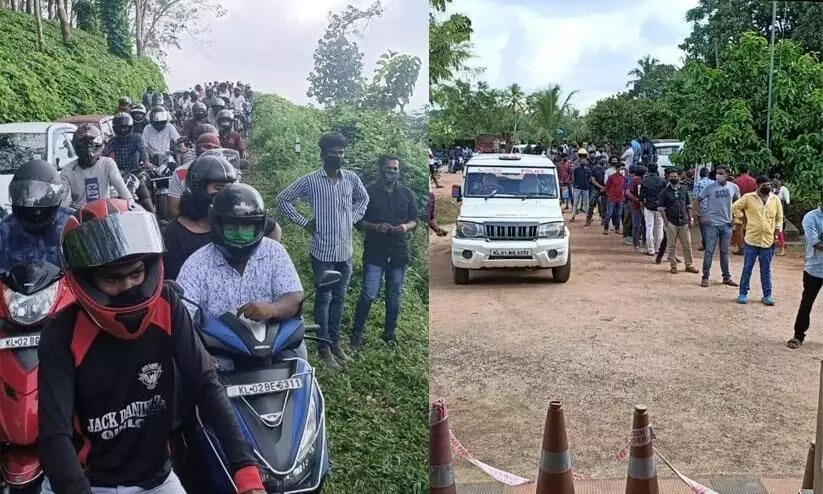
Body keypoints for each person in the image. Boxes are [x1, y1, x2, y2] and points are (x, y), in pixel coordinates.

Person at [37, 198, 266, 494]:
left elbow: (206, 383)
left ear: (149, 266)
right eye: (112, 279)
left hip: (156, 479)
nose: (128, 288)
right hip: (86, 481)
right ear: (86, 279)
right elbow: (54, 433)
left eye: (135, 273)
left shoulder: (167, 307)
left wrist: (245, 468)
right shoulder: (62, 331)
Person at [276, 132, 369, 370]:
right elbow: (283, 199)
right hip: (322, 252)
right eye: (333, 152)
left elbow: (364, 199)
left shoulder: (350, 178)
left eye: (341, 153)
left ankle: (336, 343)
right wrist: (304, 222)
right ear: (323, 153)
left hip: (344, 252)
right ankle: (324, 348)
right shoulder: (310, 181)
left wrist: (352, 218)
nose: (338, 156)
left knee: (339, 298)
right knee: (324, 299)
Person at [177, 183, 303, 356]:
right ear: (217, 223)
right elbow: (182, 319)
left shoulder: (274, 252)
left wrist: (272, 309)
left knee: (301, 359)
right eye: (231, 227)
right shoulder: (196, 265)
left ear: (259, 226)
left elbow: (293, 297)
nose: (239, 233)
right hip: (218, 354)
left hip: (273, 348)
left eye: (246, 228)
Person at [163, 155, 281, 280]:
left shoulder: (241, 218)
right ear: (198, 189)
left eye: (230, 188)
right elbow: (177, 282)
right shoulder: (175, 233)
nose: (226, 194)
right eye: (219, 188)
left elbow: (273, 229)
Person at [350, 155, 418, 350]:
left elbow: (415, 219)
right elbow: (357, 221)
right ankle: (357, 334)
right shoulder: (367, 192)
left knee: (394, 295)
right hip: (375, 251)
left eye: (395, 169)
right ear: (381, 169)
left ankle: (390, 334)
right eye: (389, 169)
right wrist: (376, 226)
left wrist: (405, 227)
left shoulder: (406, 194)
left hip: (398, 252)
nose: (392, 172)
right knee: (369, 293)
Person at [0, 159, 72, 272]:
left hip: (65, 288)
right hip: (16, 289)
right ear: (17, 196)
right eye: (28, 198)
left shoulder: (71, 223)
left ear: (54, 196)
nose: (37, 211)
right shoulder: (5, 229)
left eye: (43, 199)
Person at [732, 175, 783, 305]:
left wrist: (776, 235)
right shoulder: (749, 198)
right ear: (758, 186)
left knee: (766, 270)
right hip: (752, 240)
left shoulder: (775, 199)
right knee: (747, 268)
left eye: (769, 185)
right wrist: (740, 218)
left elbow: (779, 218)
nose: (767, 187)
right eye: (764, 185)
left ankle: (767, 295)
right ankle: (743, 293)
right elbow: (734, 207)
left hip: (768, 241)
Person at [61, 124, 133, 209]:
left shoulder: (107, 163)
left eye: (91, 144)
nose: (88, 148)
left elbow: (121, 188)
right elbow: (61, 198)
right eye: (84, 144)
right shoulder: (68, 170)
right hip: (79, 215)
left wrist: (130, 203)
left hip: (104, 214)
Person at [788, 189, 823, 349]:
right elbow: (815, 242)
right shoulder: (811, 218)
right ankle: (798, 335)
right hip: (814, 268)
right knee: (807, 303)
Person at [696, 165, 740, 287]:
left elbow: (738, 203)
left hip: (726, 225)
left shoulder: (733, 188)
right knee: (709, 251)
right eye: (717, 173)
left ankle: (726, 277)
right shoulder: (709, 188)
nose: (718, 176)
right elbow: (697, 200)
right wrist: (702, 216)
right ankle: (705, 277)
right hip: (712, 224)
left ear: (727, 174)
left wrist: (735, 217)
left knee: (724, 252)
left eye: (721, 173)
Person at [103, 112, 154, 212]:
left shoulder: (137, 138)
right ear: (115, 128)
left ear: (130, 127)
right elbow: (104, 155)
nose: (122, 130)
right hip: (118, 175)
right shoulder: (112, 141)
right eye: (120, 128)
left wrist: (146, 162)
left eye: (125, 127)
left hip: (135, 172)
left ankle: (153, 217)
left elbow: (143, 151)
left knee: (145, 196)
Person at [168, 131, 222, 218]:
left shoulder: (227, 173)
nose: (212, 151)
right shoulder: (181, 172)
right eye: (207, 147)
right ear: (197, 149)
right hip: (189, 222)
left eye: (215, 148)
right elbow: (174, 209)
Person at [658, 168, 698, 274]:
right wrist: (666, 223)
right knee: (671, 245)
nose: (674, 179)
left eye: (675, 177)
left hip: (684, 222)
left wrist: (691, 218)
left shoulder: (684, 190)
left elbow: (688, 206)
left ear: (679, 177)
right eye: (671, 177)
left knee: (687, 245)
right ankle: (673, 265)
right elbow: (662, 208)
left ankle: (689, 265)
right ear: (668, 178)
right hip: (671, 222)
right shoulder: (664, 192)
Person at [639, 163, 667, 256]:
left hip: (649, 206)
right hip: (660, 207)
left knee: (649, 227)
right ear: (656, 169)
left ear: (648, 170)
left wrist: (642, 208)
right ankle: (658, 248)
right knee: (659, 227)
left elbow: (641, 197)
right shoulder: (663, 181)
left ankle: (650, 249)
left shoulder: (644, 181)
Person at [732, 164, 757, 255]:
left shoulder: (735, 182)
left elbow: (733, 196)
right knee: (751, 226)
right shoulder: (753, 181)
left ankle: (741, 248)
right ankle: (751, 247)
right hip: (752, 206)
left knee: (739, 227)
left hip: (739, 206)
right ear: (748, 170)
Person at [625, 165, 646, 252]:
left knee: (643, 225)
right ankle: (636, 244)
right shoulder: (635, 180)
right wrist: (636, 200)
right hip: (636, 206)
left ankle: (643, 243)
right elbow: (627, 192)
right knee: (637, 225)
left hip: (642, 206)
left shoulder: (643, 181)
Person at [692, 167, 713, 251]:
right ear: (708, 174)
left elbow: (695, 197)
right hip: (712, 208)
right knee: (711, 227)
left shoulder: (698, 183)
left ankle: (705, 244)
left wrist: (696, 210)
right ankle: (710, 244)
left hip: (702, 208)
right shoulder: (713, 183)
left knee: (703, 227)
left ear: (700, 174)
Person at [602, 159, 625, 234]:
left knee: (618, 214)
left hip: (620, 198)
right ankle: (606, 229)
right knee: (609, 214)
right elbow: (607, 186)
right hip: (612, 198)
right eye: (621, 168)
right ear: (617, 169)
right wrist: (609, 194)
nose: (622, 170)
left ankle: (617, 228)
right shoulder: (611, 177)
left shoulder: (623, 178)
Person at [585, 155, 606, 226]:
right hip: (596, 188)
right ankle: (588, 218)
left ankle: (603, 219)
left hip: (605, 189)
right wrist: (601, 187)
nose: (603, 160)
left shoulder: (607, 169)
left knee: (603, 204)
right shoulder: (595, 169)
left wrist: (604, 188)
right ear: (599, 160)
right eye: (602, 159)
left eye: (604, 159)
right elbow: (593, 180)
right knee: (591, 203)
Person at [569, 154, 590, 222]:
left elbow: (589, 179)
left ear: (586, 163)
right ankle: (573, 216)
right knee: (575, 203)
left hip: (585, 188)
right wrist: (575, 185)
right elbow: (574, 177)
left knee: (586, 203)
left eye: (584, 162)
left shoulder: (588, 170)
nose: (583, 163)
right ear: (580, 163)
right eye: (582, 162)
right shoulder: (576, 169)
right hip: (577, 188)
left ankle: (587, 217)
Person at [773, 175, 791, 256]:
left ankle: (782, 248)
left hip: (780, 212)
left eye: (777, 181)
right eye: (774, 180)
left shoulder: (783, 189)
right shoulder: (771, 189)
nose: (775, 182)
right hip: (771, 212)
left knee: (779, 231)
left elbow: (787, 202)